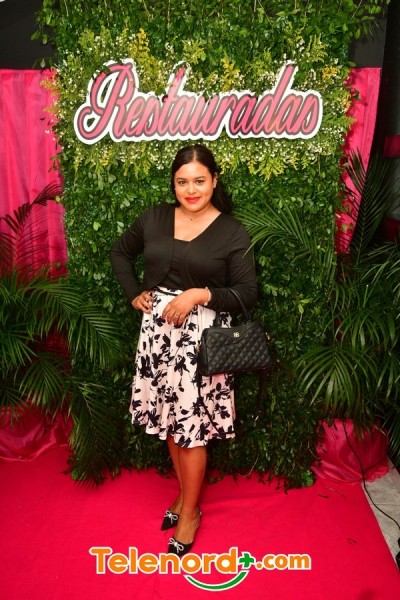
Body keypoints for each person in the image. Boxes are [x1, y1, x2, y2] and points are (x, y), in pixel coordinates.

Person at [110, 143, 257, 556]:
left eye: (199, 181)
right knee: (171, 422)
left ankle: (190, 513)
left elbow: (247, 292)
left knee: (191, 430)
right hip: (158, 335)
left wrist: (198, 294)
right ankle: (183, 497)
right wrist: (133, 293)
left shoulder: (231, 231)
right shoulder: (154, 217)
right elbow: (120, 252)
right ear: (173, 183)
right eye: (182, 181)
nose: (191, 190)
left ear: (214, 180)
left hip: (200, 342)